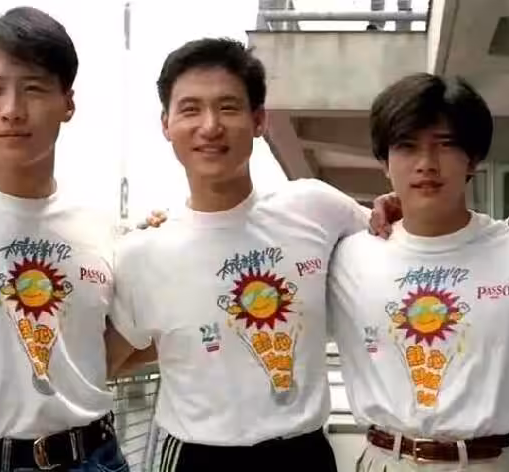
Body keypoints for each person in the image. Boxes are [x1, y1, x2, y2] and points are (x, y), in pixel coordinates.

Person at [107, 37, 370, 471]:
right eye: (190, 109)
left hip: (303, 455)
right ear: (166, 124)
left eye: (228, 107)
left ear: (259, 119)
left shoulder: (316, 208)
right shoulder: (143, 252)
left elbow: (405, 245)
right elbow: (103, 361)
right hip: (198, 458)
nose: (210, 126)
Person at [0, 7, 128, 471]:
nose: (12, 110)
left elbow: (127, 338)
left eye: (33, 88)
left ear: (68, 102)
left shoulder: (103, 228)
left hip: (95, 456)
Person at [327, 73, 509, 471]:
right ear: (384, 162)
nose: (426, 164)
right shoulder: (347, 257)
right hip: (386, 460)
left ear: (473, 159)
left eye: (446, 145)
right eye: (407, 146)